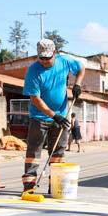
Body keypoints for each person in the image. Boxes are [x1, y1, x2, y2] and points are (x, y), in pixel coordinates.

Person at [22, 39, 85, 193]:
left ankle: (55, 186)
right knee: (33, 153)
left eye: (47, 58)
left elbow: (81, 67)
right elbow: (35, 99)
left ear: (55, 53)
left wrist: (78, 84)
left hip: (61, 116)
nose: (44, 61)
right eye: (41, 58)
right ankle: (29, 187)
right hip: (39, 117)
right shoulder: (33, 71)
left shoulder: (64, 61)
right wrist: (53, 115)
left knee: (58, 154)